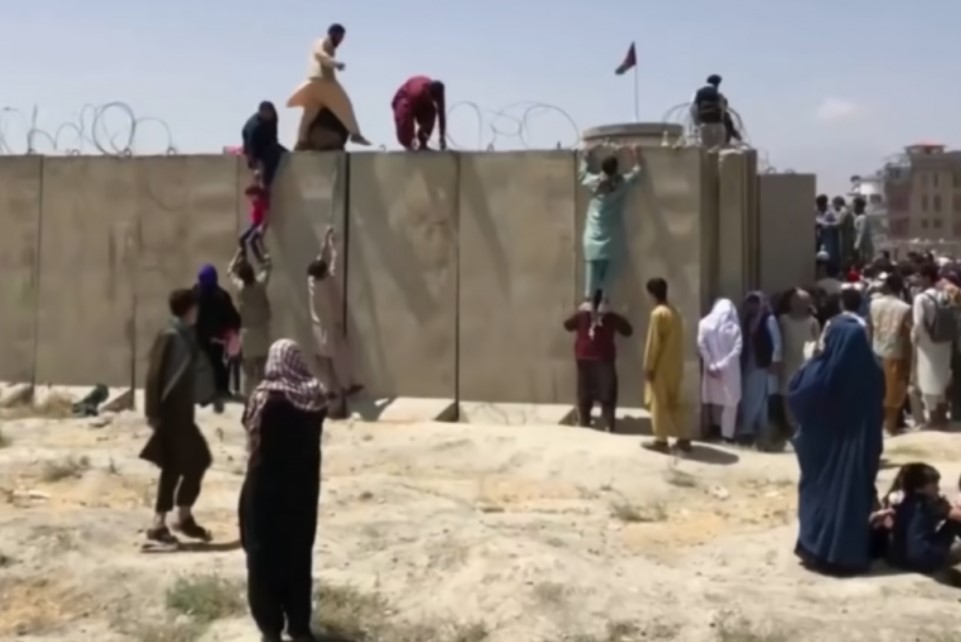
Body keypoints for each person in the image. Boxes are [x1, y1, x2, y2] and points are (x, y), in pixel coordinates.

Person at [240, 339, 327, 642]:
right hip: (302, 493)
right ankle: (300, 627)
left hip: (264, 491)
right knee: (298, 557)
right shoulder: (316, 398)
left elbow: (250, 433)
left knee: (262, 558)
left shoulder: (265, 398)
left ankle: (270, 628)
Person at [788, 314, 884, 575]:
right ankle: (846, 555)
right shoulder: (874, 372)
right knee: (851, 498)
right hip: (860, 451)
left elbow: (796, 396)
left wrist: (808, 362)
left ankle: (815, 549)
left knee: (820, 497)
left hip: (821, 451)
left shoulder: (822, 369)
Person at [141, 289, 217, 547]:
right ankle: (173, 519)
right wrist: (152, 412)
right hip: (170, 414)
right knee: (193, 462)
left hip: (183, 413)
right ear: (188, 309)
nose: (198, 312)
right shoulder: (170, 336)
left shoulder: (186, 336)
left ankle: (169, 519)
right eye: (195, 307)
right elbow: (154, 375)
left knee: (180, 465)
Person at [286, 23, 370, 150]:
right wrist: (335, 64)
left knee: (309, 113)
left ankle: (301, 142)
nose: (341, 40)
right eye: (340, 36)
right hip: (324, 81)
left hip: (314, 84)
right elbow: (321, 55)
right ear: (333, 34)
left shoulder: (329, 46)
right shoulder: (322, 42)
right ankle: (355, 134)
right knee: (344, 105)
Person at [307, 227, 362, 419]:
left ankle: (330, 390)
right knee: (339, 359)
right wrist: (333, 245)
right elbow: (334, 264)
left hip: (317, 329)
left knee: (325, 365)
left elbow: (320, 259)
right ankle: (346, 387)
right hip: (328, 329)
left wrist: (324, 241)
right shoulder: (325, 283)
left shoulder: (311, 281)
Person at [578, 144, 642, 300]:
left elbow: (581, 175)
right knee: (608, 280)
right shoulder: (621, 184)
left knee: (591, 276)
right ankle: (604, 305)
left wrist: (585, 156)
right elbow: (637, 172)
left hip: (592, 237)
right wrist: (635, 155)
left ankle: (588, 304)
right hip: (611, 238)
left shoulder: (594, 183)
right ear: (616, 169)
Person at [563, 290, 633, 433]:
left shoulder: (582, 316)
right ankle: (608, 424)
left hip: (586, 358)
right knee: (607, 392)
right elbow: (628, 331)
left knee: (585, 391)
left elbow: (567, 325)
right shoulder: (611, 317)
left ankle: (585, 422)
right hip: (603, 359)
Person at [886, 463, 961, 575]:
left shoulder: (903, 500)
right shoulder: (927, 504)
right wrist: (950, 507)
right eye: (934, 484)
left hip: (899, 558)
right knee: (954, 522)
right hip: (923, 559)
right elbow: (957, 515)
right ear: (919, 487)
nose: (938, 488)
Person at [642, 278, 689, 453]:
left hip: (661, 365)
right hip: (675, 365)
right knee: (674, 402)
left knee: (658, 403)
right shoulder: (674, 312)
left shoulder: (658, 314)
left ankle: (661, 440)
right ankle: (684, 437)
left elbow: (653, 342)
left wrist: (649, 366)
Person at [868, 272, 913, 434]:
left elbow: (870, 329)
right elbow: (907, 336)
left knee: (878, 390)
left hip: (876, 350)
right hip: (895, 353)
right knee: (894, 394)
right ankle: (890, 426)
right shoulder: (905, 308)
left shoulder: (873, 304)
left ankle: (877, 426)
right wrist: (909, 360)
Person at [194, 264, 242, 411]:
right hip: (217, 337)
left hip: (199, 337)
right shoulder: (221, 296)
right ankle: (221, 389)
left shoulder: (195, 294)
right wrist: (232, 331)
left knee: (203, 364)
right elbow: (233, 317)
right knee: (218, 363)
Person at [913, 262, 953, 428]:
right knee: (942, 377)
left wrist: (915, 340)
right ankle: (943, 416)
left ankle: (933, 418)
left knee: (927, 379)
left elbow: (918, 324)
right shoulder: (945, 294)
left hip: (927, 345)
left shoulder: (921, 298)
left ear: (927, 277)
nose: (918, 280)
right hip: (945, 341)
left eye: (920, 277)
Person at [228, 248, 273, 397]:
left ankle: (249, 399)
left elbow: (230, 272)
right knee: (262, 370)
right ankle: (262, 398)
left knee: (248, 372)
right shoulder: (260, 284)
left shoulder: (241, 288)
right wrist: (262, 253)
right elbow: (268, 266)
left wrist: (237, 255)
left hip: (246, 334)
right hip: (262, 331)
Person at [697, 298, 742, 443]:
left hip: (711, 369)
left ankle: (714, 428)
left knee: (714, 399)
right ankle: (727, 435)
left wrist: (711, 364)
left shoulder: (704, 324)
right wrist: (721, 366)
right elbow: (737, 350)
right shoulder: (734, 328)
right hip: (730, 370)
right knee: (730, 403)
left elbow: (701, 345)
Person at [740, 291, 782, 448]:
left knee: (757, 395)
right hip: (750, 361)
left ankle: (750, 428)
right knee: (751, 395)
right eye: (750, 303)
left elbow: (776, 342)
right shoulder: (749, 319)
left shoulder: (769, 319)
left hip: (762, 362)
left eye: (755, 302)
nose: (752, 306)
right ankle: (753, 427)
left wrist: (775, 361)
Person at [777, 289, 820, 430]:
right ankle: (791, 425)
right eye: (797, 301)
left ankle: (803, 424)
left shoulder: (812, 322)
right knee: (787, 393)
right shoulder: (783, 320)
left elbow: (818, 344)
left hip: (806, 364)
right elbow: (776, 342)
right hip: (787, 361)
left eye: (803, 301)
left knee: (804, 392)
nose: (799, 304)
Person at [392, 76, 447, 151]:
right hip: (405, 99)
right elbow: (409, 116)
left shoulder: (439, 95)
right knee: (404, 111)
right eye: (430, 97)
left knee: (432, 111)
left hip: (421, 103)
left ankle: (423, 143)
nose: (432, 100)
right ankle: (408, 144)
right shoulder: (415, 93)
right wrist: (412, 138)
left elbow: (441, 113)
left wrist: (442, 136)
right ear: (428, 90)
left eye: (433, 99)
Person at [242, 101, 286, 189]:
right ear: (260, 112)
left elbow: (274, 135)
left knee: (285, 154)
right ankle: (266, 183)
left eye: (270, 112)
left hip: (267, 141)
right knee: (271, 157)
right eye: (265, 112)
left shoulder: (274, 117)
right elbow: (251, 146)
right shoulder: (255, 127)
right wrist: (254, 166)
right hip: (254, 143)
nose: (268, 115)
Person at [689, 74, 728, 149]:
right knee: (719, 149)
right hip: (718, 124)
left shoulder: (697, 93)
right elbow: (722, 108)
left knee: (705, 148)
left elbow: (692, 108)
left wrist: (697, 122)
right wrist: (721, 119)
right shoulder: (718, 94)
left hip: (704, 124)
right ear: (718, 83)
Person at [239, 178, 270, 263]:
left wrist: (261, 227)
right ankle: (244, 259)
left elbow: (266, 217)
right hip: (254, 224)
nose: (249, 199)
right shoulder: (255, 200)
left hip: (260, 225)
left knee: (251, 241)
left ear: (255, 195)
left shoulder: (262, 202)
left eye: (250, 196)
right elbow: (257, 184)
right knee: (241, 239)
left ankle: (261, 261)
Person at [852, 196, 874, 265]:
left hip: (864, 247)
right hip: (862, 246)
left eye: (854, 206)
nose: (853, 208)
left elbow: (861, 233)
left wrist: (856, 246)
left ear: (860, 207)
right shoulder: (858, 217)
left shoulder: (862, 218)